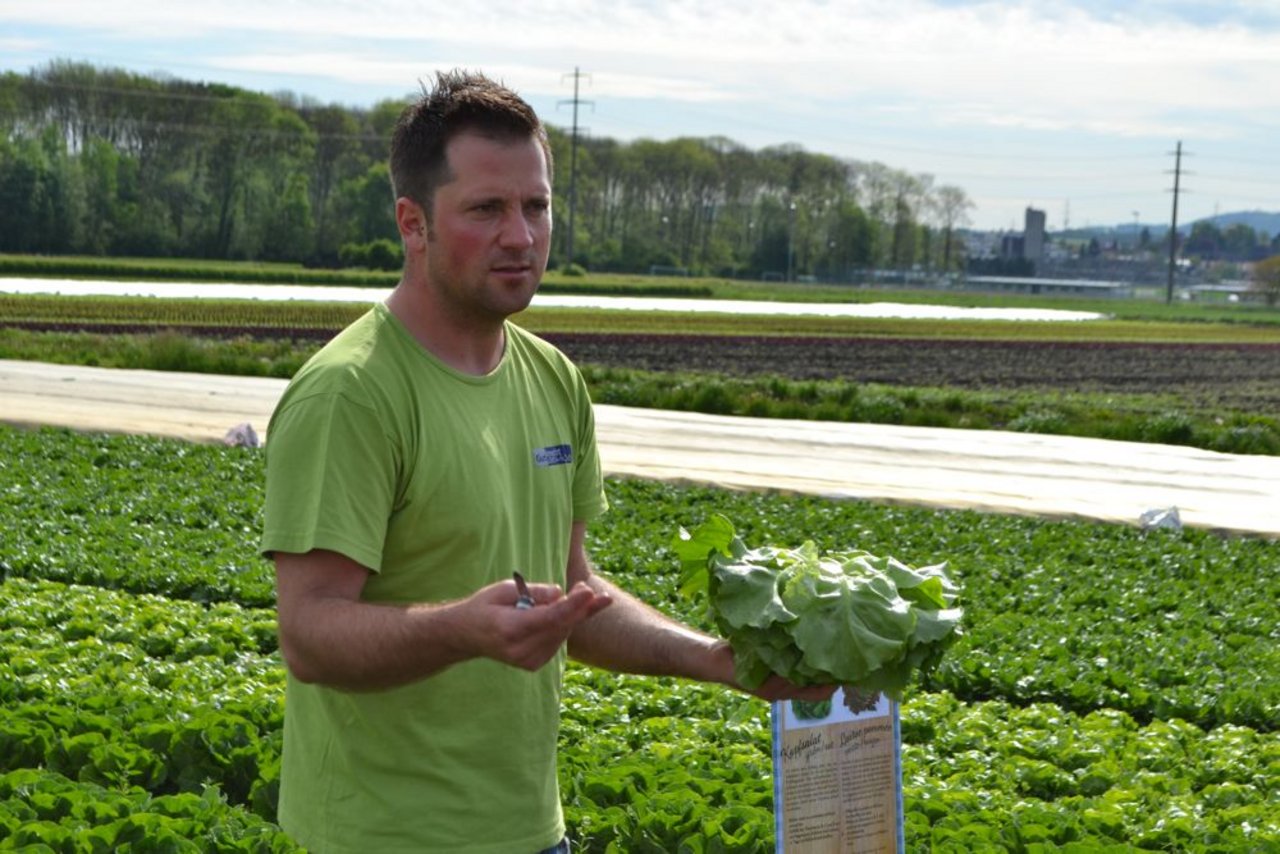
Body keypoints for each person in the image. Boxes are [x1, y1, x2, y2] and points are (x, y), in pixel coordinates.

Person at [260, 69, 833, 854]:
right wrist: (462, 629)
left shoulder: (553, 380)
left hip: (533, 834)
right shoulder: (351, 393)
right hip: (381, 837)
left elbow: (577, 596)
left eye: (536, 206)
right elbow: (311, 634)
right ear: (413, 223)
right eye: (486, 209)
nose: (521, 237)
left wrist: (721, 661)